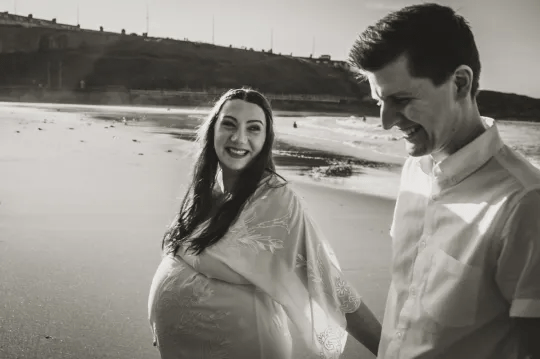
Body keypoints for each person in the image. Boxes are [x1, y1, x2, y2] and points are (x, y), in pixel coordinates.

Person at [348, 3, 540, 359]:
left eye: (401, 100)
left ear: (460, 83)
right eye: (379, 101)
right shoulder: (414, 170)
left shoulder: (526, 204)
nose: (386, 122)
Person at [147, 88, 382, 359]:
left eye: (253, 128)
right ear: (213, 128)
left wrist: (390, 352)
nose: (239, 138)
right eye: (229, 124)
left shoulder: (276, 200)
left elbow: (329, 282)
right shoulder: (206, 191)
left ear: (266, 139)